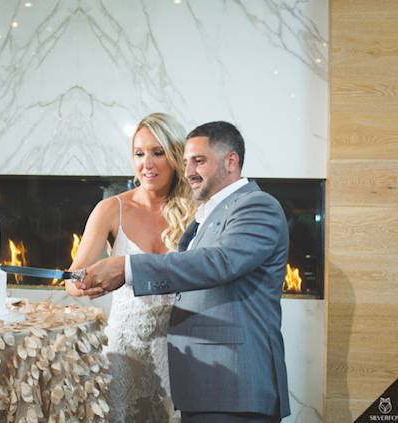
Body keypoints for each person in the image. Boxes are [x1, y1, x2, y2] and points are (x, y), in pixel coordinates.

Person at [76, 121, 291, 423]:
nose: (189, 171)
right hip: (199, 381)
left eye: (199, 161)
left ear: (231, 161)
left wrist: (127, 267)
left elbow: (218, 262)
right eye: (187, 161)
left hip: (233, 386)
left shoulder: (257, 206)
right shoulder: (209, 212)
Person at [66, 112, 195, 422]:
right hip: (125, 347)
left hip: (182, 346)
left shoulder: (196, 209)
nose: (146, 164)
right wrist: (85, 283)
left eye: (157, 152)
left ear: (176, 154)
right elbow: (72, 278)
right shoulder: (111, 209)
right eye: (139, 154)